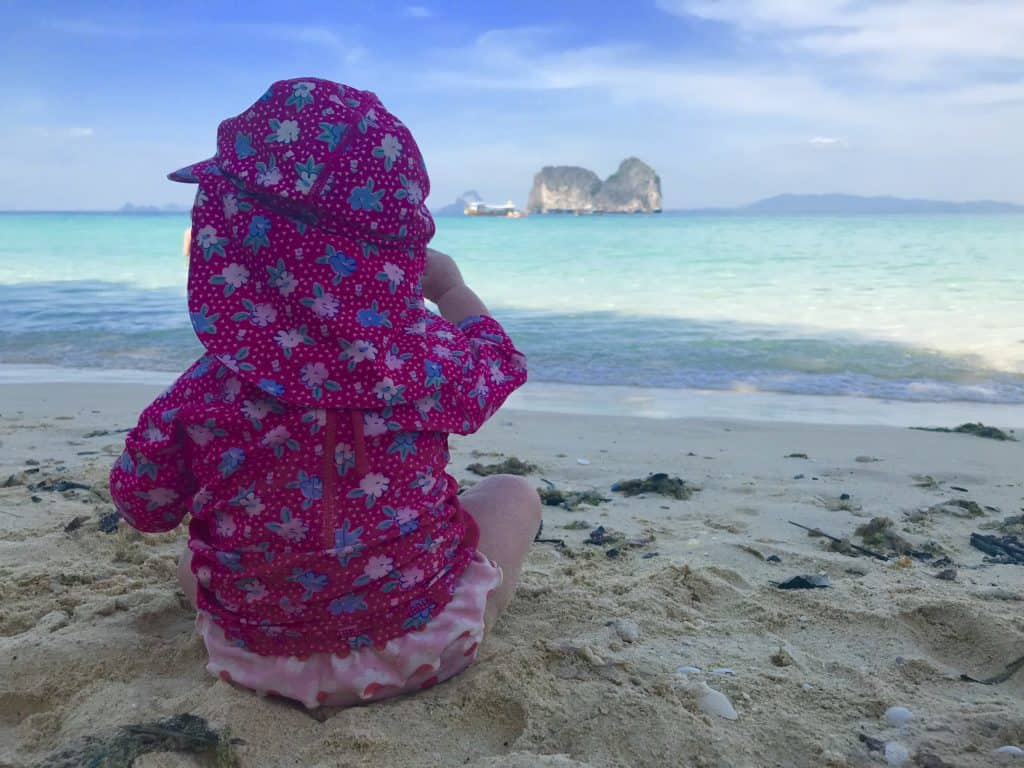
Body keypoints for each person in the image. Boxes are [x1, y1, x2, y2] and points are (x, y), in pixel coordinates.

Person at [109, 78, 540, 708]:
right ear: (397, 248)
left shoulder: (204, 393)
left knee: (190, 562)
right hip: (424, 648)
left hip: (255, 660)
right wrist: (450, 290)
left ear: (225, 239)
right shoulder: (423, 357)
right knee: (511, 493)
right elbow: (498, 364)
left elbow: (140, 505)